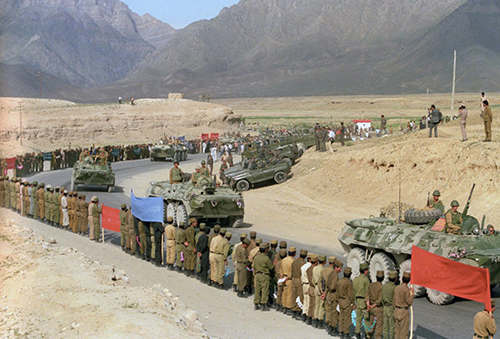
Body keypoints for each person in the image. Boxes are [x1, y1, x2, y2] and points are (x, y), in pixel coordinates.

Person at [253, 242, 274, 311]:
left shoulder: (256, 257)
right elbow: (271, 267)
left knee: (257, 289)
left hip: (257, 274)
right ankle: (263, 304)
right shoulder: (266, 258)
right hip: (264, 275)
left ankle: (256, 303)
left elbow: (254, 266)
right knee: (265, 290)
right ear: (265, 250)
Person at [394, 271, 414, 339]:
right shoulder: (406, 290)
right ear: (409, 281)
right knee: (404, 332)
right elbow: (409, 302)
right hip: (404, 312)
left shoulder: (397, 288)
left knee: (397, 331)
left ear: (402, 279)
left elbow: (393, 300)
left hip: (396, 310)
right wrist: (412, 294)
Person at [353, 262, 370, 339]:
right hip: (364, 301)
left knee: (358, 318)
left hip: (357, 300)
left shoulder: (355, 279)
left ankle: (357, 333)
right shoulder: (366, 280)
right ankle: (367, 334)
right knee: (366, 319)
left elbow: (353, 291)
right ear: (365, 270)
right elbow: (368, 292)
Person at [366, 270, 384, 339]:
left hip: (371, 308)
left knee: (371, 323)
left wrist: (368, 305)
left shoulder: (371, 285)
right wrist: (373, 305)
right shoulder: (381, 287)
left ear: (376, 277)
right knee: (378, 326)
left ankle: (368, 336)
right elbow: (379, 300)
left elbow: (367, 295)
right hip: (377, 308)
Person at [338, 266, 355, 339]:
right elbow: (351, 294)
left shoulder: (340, 281)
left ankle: (340, 331)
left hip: (340, 300)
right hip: (346, 301)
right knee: (347, 318)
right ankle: (346, 333)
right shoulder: (349, 283)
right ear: (350, 274)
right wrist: (353, 303)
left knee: (341, 316)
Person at [382, 271, 397, 339]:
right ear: (395, 279)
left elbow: (382, 297)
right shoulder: (395, 288)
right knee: (392, 327)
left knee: (385, 327)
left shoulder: (384, 286)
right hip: (391, 308)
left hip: (385, 307)